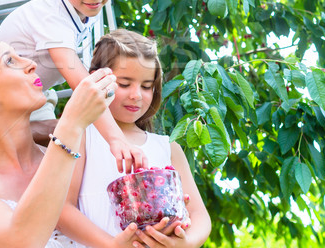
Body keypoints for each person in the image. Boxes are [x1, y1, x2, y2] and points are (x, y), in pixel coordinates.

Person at [0, 36, 121, 248]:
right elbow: (19, 242)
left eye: (19, 55)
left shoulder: (77, 164)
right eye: (9, 61)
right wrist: (71, 124)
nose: (31, 64)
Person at [0, 0, 146, 173]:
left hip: (38, 96)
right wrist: (116, 139)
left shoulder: (84, 7)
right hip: (3, 102)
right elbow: (82, 85)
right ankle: (17, 135)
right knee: (59, 161)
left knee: (81, 144)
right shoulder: (52, 16)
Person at [58, 29, 212, 248]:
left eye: (146, 86)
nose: (136, 95)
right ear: (96, 78)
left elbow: (199, 215)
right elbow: (61, 209)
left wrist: (186, 243)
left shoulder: (167, 147)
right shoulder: (82, 135)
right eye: (124, 84)